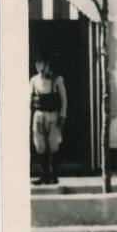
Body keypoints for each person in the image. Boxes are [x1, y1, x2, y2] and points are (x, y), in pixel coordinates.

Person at [30, 53, 66, 185]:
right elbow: (29, 100)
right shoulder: (34, 80)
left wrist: (62, 115)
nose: (39, 67)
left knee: (53, 145)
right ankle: (44, 175)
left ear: (47, 65)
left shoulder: (57, 79)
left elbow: (64, 99)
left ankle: (53, 175)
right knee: (40, 146)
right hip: (39, 116)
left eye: (42, 64)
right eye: (38, 64)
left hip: (53, 116)